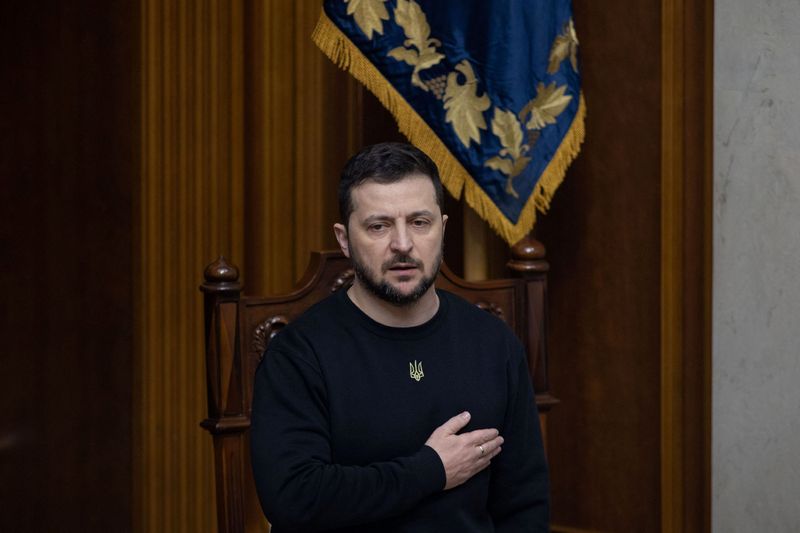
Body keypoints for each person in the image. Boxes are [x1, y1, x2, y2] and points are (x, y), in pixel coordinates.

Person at [250, 142, 549, 532]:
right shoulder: (299, 354)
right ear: (344, 240)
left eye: (419, 222)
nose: (403, 245)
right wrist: (431, 470)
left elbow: (525, 505)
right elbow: (293, 498)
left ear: (442, 229)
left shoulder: (494, 343)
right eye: (379, 226)